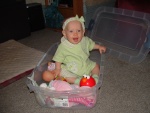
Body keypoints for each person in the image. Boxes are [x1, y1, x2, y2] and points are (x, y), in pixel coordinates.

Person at [50, 15, 106, 85]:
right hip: (72, 69)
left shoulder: (85, 40)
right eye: (71, 31)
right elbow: (58, 59)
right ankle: (78, 81)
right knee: (63, 74)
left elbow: (91, 45)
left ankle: (95, 78)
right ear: (64, 33)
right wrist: (57, 69)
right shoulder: (63, 46)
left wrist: (99, 47)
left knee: (96, 66)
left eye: (79, 31)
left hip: (86, 64)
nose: (75, 34)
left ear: (83, 32)